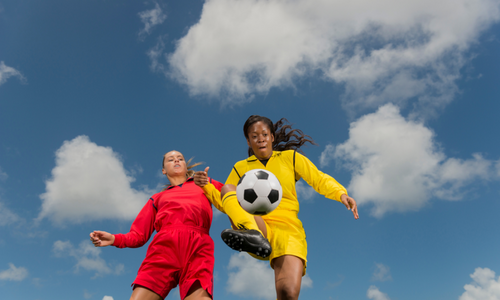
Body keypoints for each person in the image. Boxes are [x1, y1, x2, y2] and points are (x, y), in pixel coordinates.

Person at [195, 116, 359, 300]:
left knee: (287, 293)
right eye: (254, 136)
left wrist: (341, 193)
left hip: (288, 231)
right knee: (228, 188)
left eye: (264, 134)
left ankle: (254, 236)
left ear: (272, 137)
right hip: (257, 225)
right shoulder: (240, 168)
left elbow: (319, 179)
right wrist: (206, 185)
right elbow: (228, 203)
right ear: (248, 141)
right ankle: (251, 234)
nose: (261, 139)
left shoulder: (291, 158)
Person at [90, 150, 224, 300]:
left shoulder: (203, 183)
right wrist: (115, 239)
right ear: (163, 170)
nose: (176, 161)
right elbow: (138, 235)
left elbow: (235, 199)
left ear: (186, 167)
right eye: (170, 159)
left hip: (198, 248)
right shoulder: (157, 198)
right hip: (163, 251)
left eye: (180, 158)